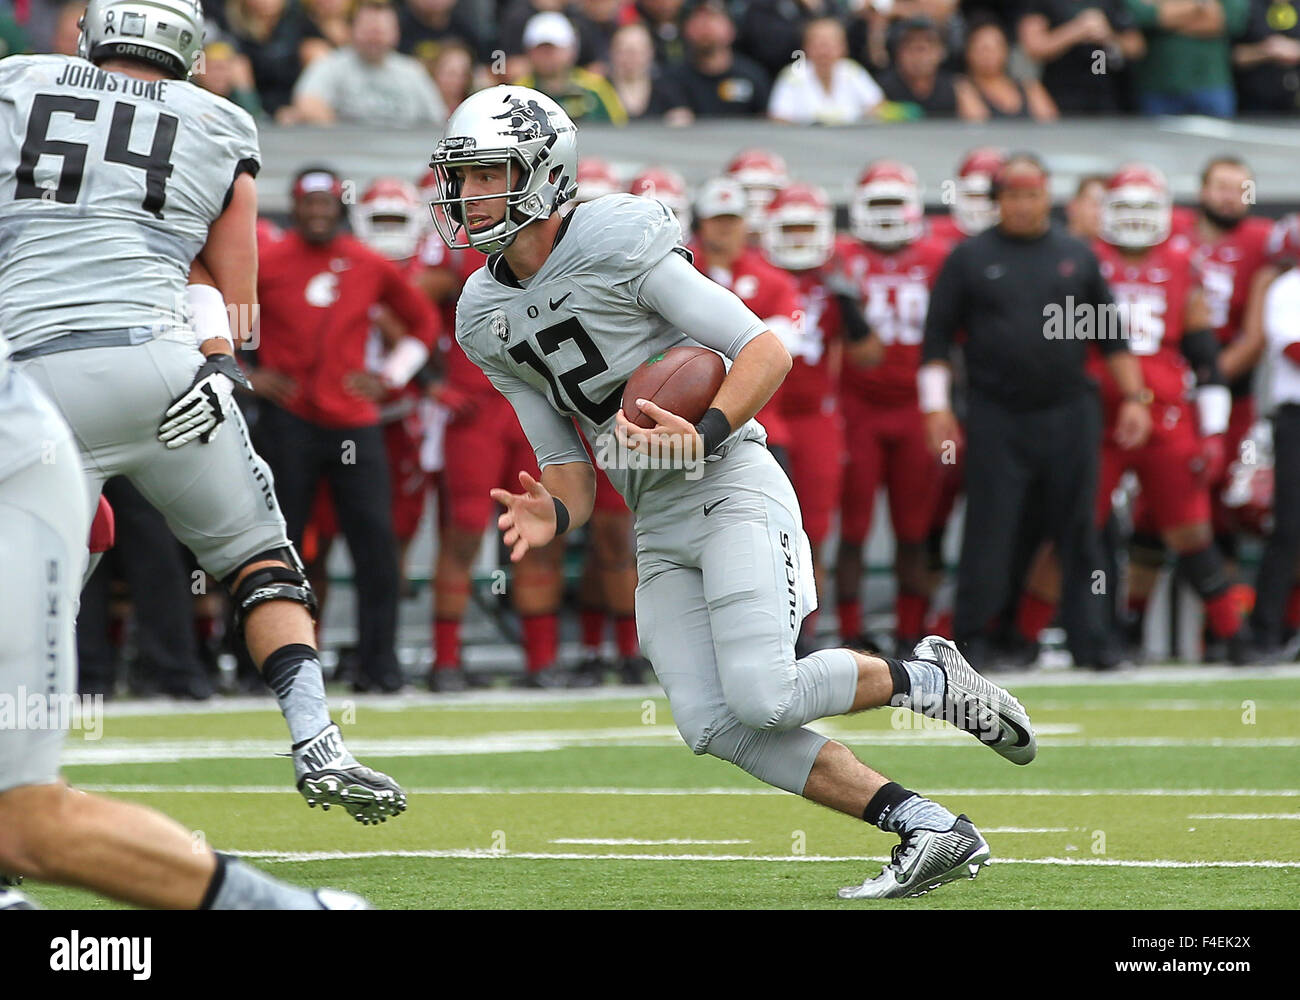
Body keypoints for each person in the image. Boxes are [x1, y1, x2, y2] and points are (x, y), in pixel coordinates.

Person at [428, 84, 1039, 899]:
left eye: (486, 173)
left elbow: (761, 348)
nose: (467, 195)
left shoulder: (616, 233)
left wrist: (702, 431)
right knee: (713, 722)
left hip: (728, 479)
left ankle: (926, 676)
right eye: (460, 177)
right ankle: (927, 827)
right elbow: (563, 456)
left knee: (764, 691)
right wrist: (557, 509)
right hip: (653, 514)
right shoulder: (481, 311)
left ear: (543, 172)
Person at [0, 0, 404, 829]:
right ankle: (318, 740)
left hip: (31, 383)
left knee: (35, 594)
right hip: (165, 371)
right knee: (258, 557)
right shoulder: (219, 122)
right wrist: (220, 360)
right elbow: (235, 291)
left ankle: (18, 789)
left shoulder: (17, 84)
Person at [920, 154, 1153, 670]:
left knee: (1080, 530)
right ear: (997, 200)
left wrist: (1136, 399)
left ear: (1048, 196)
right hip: (997, 413)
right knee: (991, 528)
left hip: (1070, 411)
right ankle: (976, 639)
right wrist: (936, 408)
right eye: (1014, 195)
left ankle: (1091, 642)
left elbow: (1111, 336)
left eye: (1033, 194)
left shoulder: (1076, 256)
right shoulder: (970, 258)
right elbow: (937, 338)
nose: (1024, 205)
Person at [1017, 165, 1253, 665]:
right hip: (1095, 419)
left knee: (1190, 531)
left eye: (1147, 208)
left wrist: (1212, 432)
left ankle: (1235, 639)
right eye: (1125, 207)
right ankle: (1022, 638)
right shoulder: (1080, 260)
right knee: (1071, 532)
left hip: (1168, 417)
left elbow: (1205, 355)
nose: (1136, 220)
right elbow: (1055, 344)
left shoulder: (1183, 264)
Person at [253, 167, 440, 693]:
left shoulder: (367, 262)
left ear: (340, 207)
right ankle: (273, 664)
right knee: (282, 544)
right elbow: (220, 316)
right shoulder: (268, 262)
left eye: (326, 203)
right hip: (288, 420)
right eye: (309, 203)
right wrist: (248, 374)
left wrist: (391, 377)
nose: (318, 212)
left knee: (375, 546)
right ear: (294, 206)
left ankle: (378, 664)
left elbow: (423, 322)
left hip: (354, 424)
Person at [834, 160, 952, 657]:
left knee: (913, 528)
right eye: (875, 204)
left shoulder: (938, 255)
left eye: (891, 204)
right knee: (854, 527)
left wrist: (941, 406)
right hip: (855, 405)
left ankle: (911, 631)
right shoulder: (838, 254)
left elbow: (949, 339)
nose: (884, 216)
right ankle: (850, 631)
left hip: (914, 408)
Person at [760, 182, 851, 656]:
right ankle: (764, 632)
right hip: (760, 413)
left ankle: (808, 633)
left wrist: (852, 309)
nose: (797, 239)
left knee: (814, 528)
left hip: (816, 415)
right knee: (759, 531)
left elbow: (868, 356)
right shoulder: (751, 272)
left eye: (805, 228)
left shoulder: (837, 279)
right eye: (788, 228)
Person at [1249, 216, 1300, 654]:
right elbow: (1293, 347)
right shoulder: (1289, 289)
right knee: (1290, 527)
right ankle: (1265, 630)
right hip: (1296, 418)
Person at [286, 0, 449, 125]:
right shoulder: (330, 65)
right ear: (352, 29)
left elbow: (438, 120)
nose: (375, 37)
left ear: (396, 33)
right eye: (369, 30)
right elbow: (307, 104)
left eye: (381, 31)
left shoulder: (412, 72)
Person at [1017, 1, 1144, 114]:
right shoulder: (1045, 4)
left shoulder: (1109, 3)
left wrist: (1108, 36)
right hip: (1062, 94)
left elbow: (1137, 48)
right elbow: (1033, 48)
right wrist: (1077, 30)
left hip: (1107, 94)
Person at [1127, 0, 1249, 117]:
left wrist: (1165, 16)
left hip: (1210, 85)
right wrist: (1200, 4)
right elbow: (1141, 15)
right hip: (1156, 87)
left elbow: (1228, 20)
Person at [658, 0, 771, 123]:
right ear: (686, 29)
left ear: (731, 29)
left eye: (713, 19)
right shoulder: (672, 80)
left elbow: (766, 123)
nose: (706, 27)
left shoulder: (752, 76)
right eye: (698, 19)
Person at [512, 11, 627, 123]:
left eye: (554, 49)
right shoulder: (517, 94)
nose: (547, 56)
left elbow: (621, 132)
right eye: (540, 49)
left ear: (572, 49)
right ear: (528, 51)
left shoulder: (596, 89)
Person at [767, 16, 883, 124]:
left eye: (830, 45)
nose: (824, 52)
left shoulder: (853, 72)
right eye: (818, 45)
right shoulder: (793, 75)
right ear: (806, 47)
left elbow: (878, 105)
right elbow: (779, 118)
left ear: (843, 47)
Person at [875, 15, 981, 119]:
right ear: (898, 52)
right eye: (911, 46)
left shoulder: (956, 86)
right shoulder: (880, 88)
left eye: (928, 45)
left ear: (942, 51)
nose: (919, 55)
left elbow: (977, 123)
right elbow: (872, 115)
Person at [960, 15, 1058, 121]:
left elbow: (1050, 126)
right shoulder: (963, 88)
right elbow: (977, 126)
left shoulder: (1030, 87)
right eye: (983, 48)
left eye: (996, 47)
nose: (990, 55)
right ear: (968, 52)